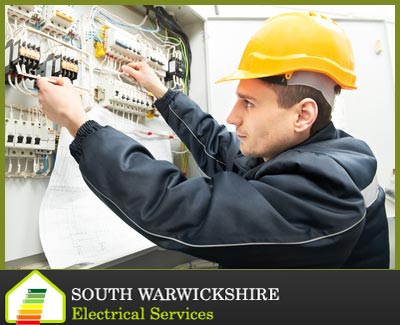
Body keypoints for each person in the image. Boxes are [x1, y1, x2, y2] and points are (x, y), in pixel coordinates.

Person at [37, 11, 389, 268]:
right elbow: (226, 151)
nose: (233, 116)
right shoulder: (316, 152)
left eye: (248, 103)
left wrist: (79, 122)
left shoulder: (324, 191)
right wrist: (161, 91)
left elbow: (174, 206)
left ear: (302, 115)